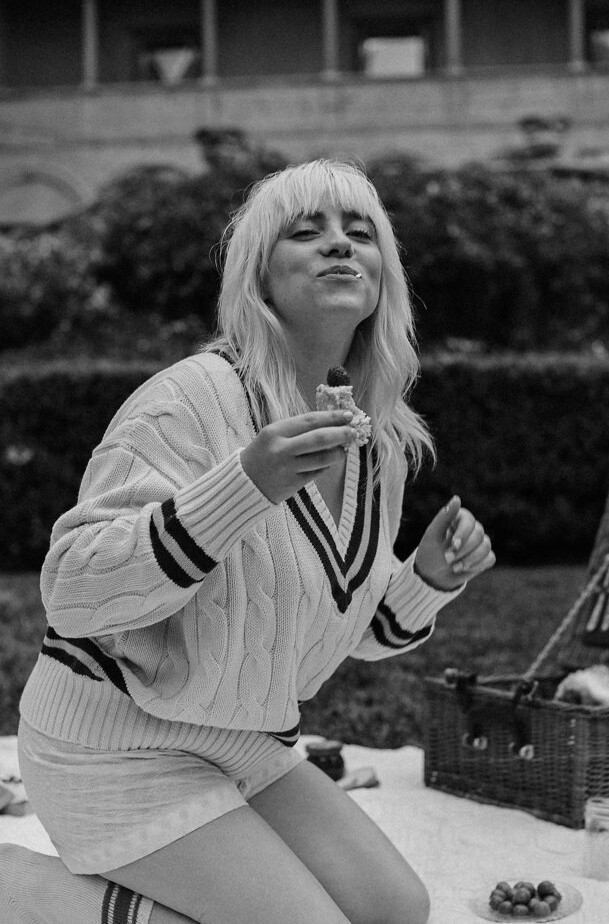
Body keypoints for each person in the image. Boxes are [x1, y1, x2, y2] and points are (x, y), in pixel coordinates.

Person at [1, 159, 495, 924]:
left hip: (243, 742)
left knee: (396, 910)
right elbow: (73, 589)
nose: (339, 244)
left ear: (383, 276)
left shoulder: (377, 442)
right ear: (259, 276)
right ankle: (18, 887)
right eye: (306, 231)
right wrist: (243, 487)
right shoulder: (189, 397)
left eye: (359, 232)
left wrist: (427, 578)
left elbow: (344, 628)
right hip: (110, 741)